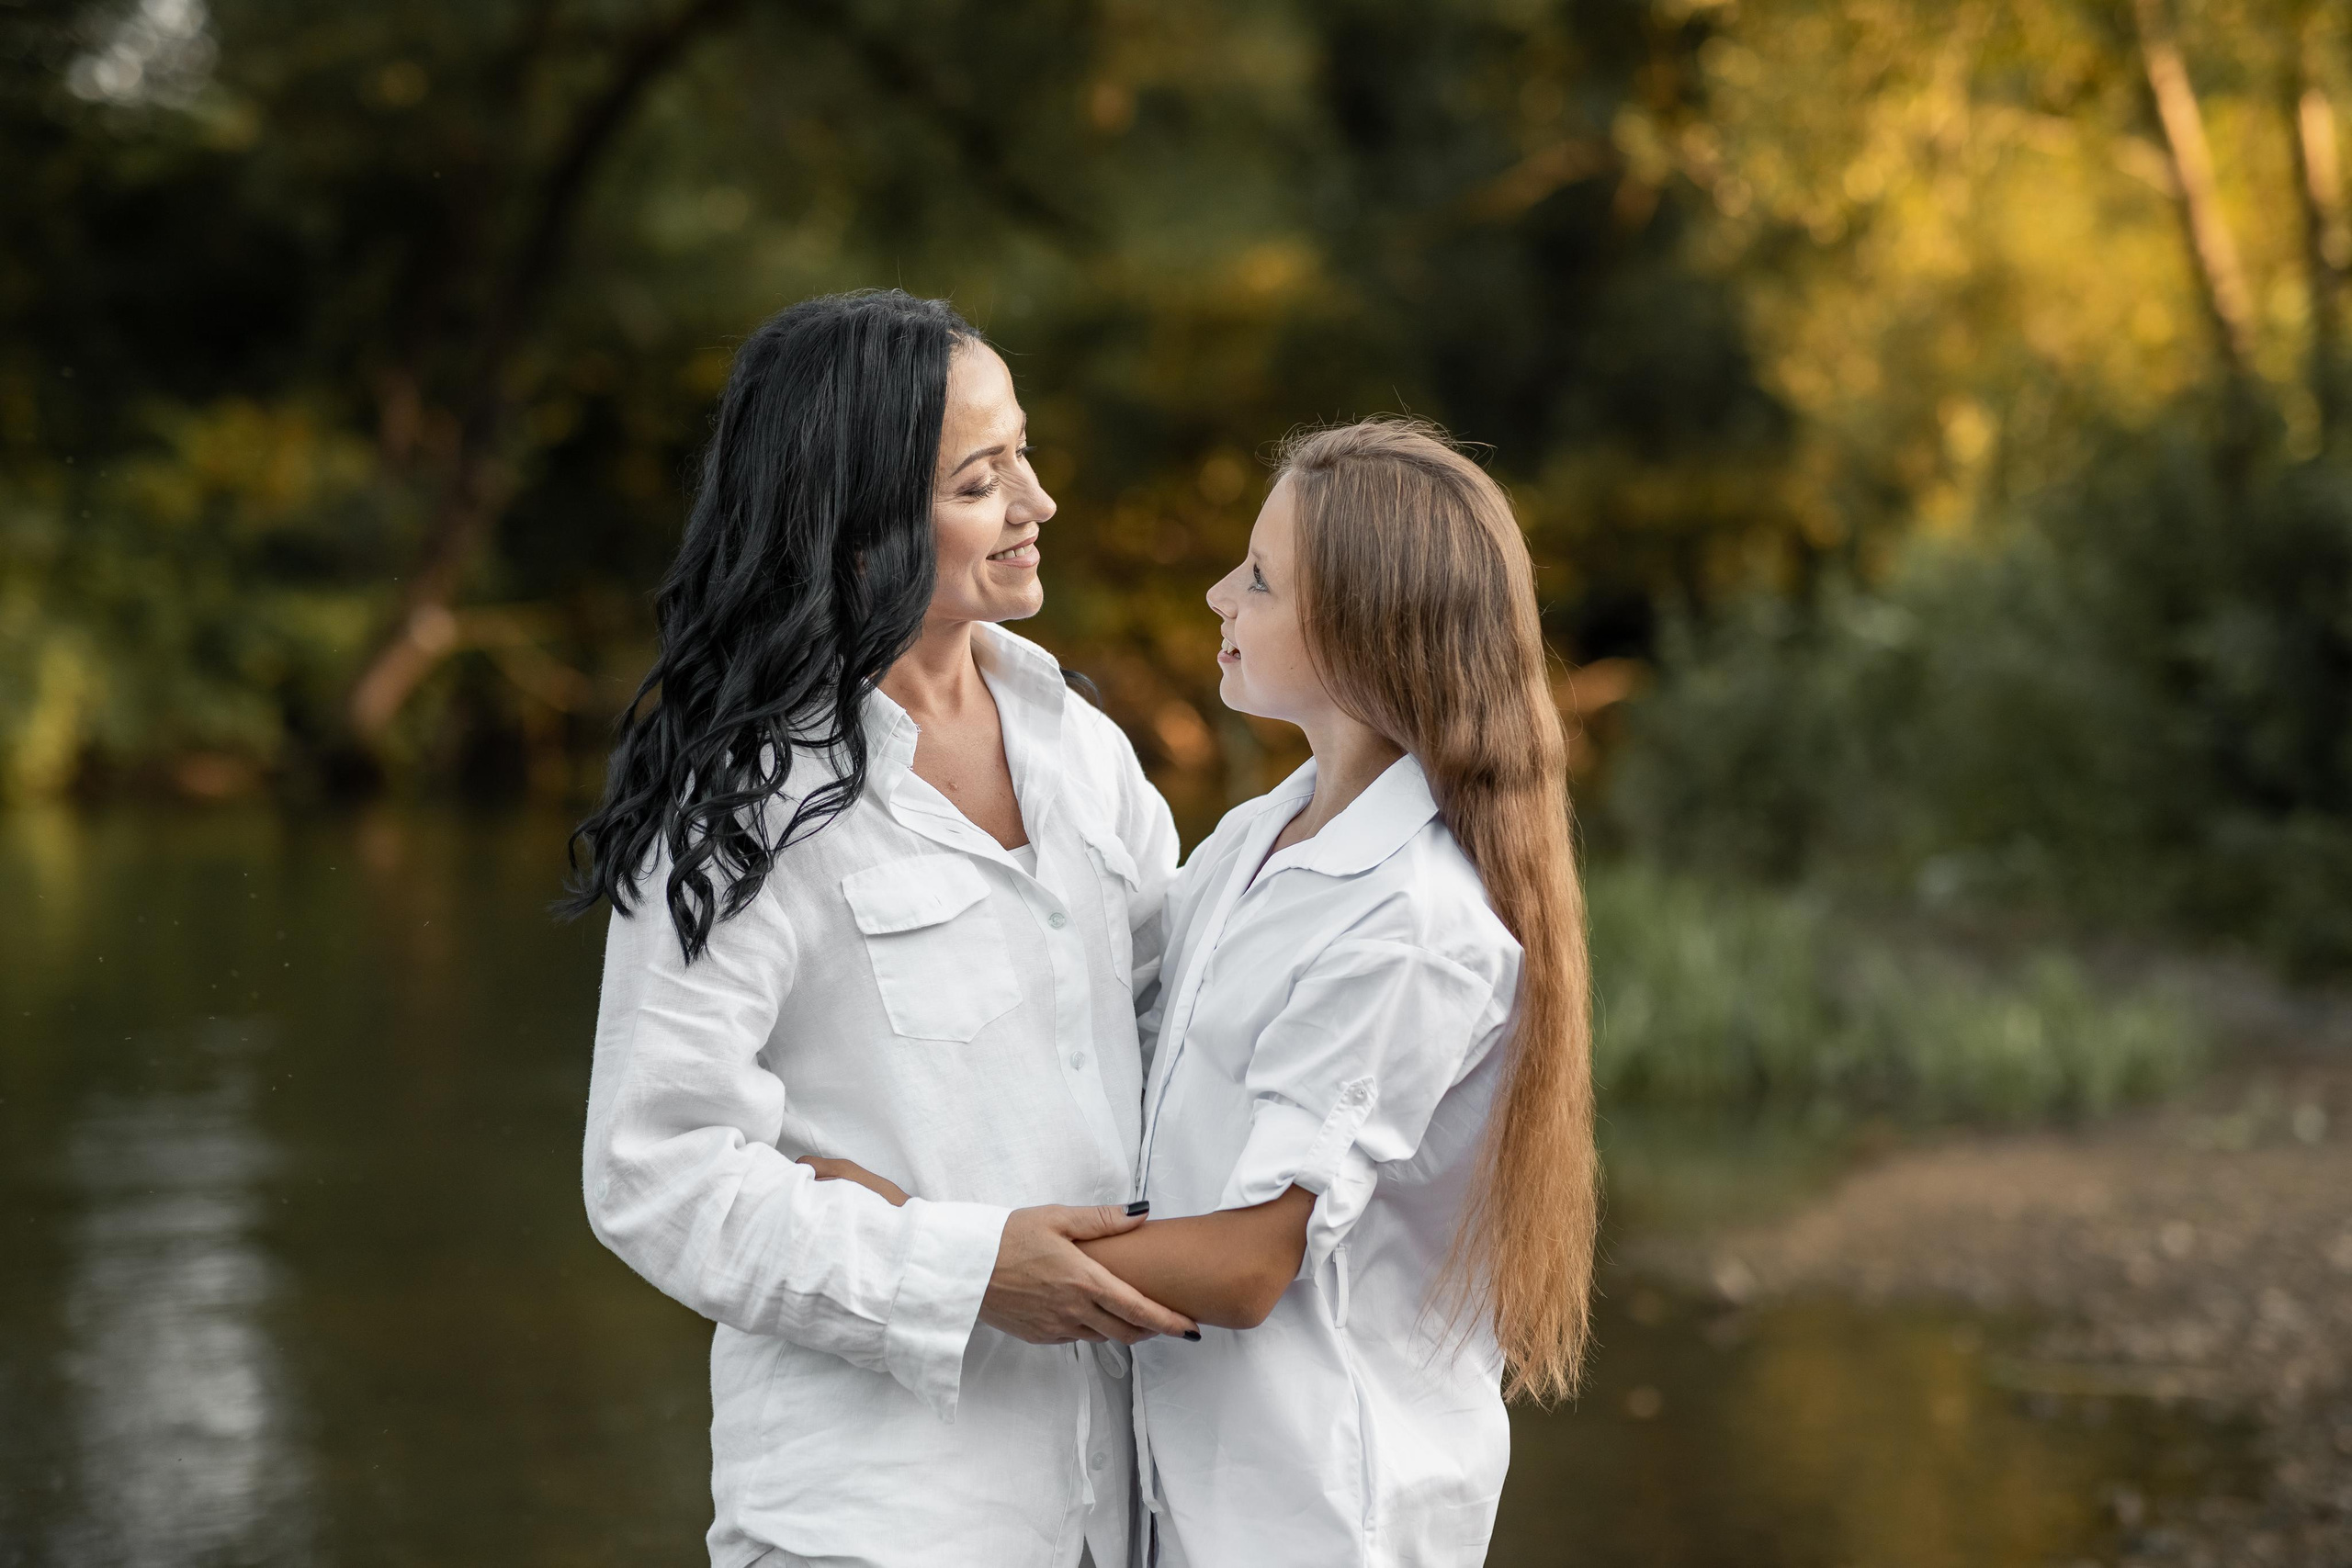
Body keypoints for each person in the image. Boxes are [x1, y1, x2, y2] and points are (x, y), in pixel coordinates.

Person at [821, 417, 1602, 1566]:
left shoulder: (1414, 922)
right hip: (1193, 1493)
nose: (1215, 594)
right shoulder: (1257, 835)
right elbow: (1107, 1034)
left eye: (1260, 579)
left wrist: (931, 1249)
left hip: (1321, 1514)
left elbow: (1247, 1264)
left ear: (1362, 632)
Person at [564, 288, 1193, 1568]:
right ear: (857, 527)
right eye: (981, 478)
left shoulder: (1084, 748)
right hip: (871, 1517)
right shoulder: (741, 804)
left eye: (1023, 451)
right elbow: (655, 1168)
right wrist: (961, 1265)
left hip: (1114, 1498)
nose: (1038, 503)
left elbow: (1181, 1032)